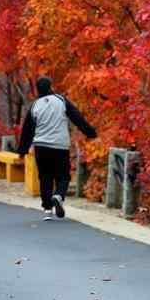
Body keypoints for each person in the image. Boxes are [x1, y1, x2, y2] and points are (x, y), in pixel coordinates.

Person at [18, 77, 97, 221]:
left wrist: (22, 151)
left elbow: (27, 130)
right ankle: (58, 196)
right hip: (60, 146)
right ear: (50, 86)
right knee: (63, 176)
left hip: (41, 146)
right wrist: (90, 132)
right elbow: (77, 117)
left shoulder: (35, 105)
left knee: (45, 176)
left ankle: (47, 209)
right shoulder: (60, 100)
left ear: (37, 89)